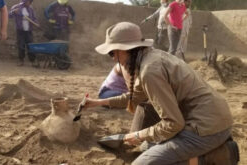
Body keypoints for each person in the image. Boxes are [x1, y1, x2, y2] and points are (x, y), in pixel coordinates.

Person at [84, 22, 234, 164]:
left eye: (112, 53)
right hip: (208, 118)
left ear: (125, 49)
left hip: (207, 128)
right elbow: (133, 98)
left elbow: (173, 123)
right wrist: (98, 102)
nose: (113, 59)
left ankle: (219, 156)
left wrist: (137, 135)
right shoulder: (147, 57)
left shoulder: (150, 71)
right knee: (146, 146)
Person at [9, 0, 38, 66]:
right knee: (21, 45)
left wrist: (36, 23)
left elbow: (34, 18)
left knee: (30, 46)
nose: (29, 3)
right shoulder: (16, 7)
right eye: (28, 1)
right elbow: (9, 15)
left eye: (30, 2)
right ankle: (21, 60)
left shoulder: (30, 9)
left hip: (29, 30)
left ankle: (32, 61)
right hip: (20, 31)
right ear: (24, 1)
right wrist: (13, 12)